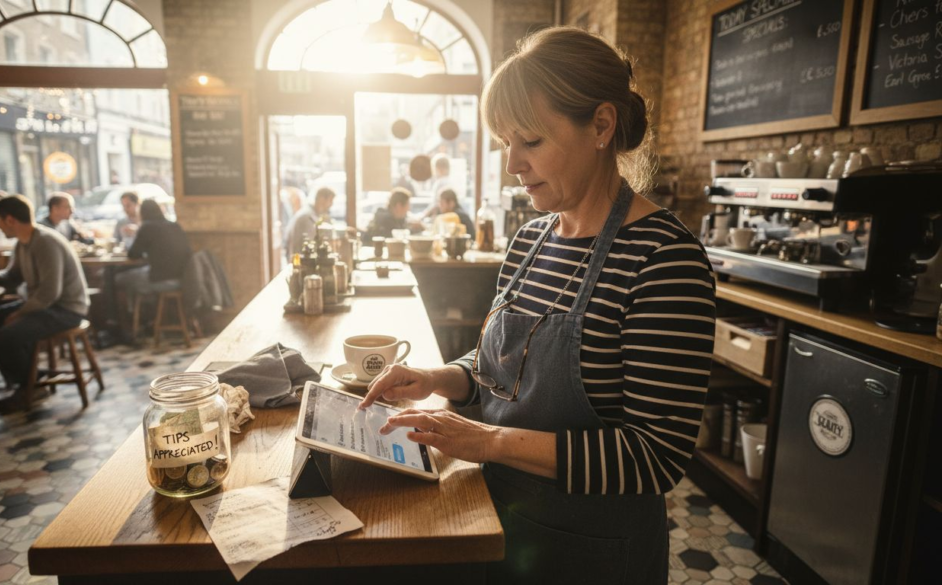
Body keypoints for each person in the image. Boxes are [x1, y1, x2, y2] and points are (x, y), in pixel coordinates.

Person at [358, 27, 715, 584]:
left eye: (529, 141)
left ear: (601, 125)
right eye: (505, 142)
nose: (511, 165)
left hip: (590, 550)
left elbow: (655, 456)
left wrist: (486, 441)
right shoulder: (531, 239)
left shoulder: (664, 260)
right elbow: (503, 374)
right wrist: (435, 378)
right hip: (497, 517)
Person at [0, 195, 90, 414]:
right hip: (42, 306)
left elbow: (50, 293)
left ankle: (28, 385)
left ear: (10, 219)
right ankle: (30, 377)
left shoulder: (46, 242)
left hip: (66, 309)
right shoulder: (23, 243)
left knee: (6, 335)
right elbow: (11, 277)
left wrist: (20, 313)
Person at [116, 199, 192, 305]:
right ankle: (149, 312)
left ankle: (129, 316)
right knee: (138, 275)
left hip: (160, 280)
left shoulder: (147, 227)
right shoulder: (174, 225)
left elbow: (133, 254)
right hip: (183, 278)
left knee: (118, 278)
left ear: (142, 213)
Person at [284, 187, 334, 258]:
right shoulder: (307, 217)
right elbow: (311, 244)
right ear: (322, 199)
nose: (331, 205)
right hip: (301, 261)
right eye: (330, 201)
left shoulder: (312, 214)